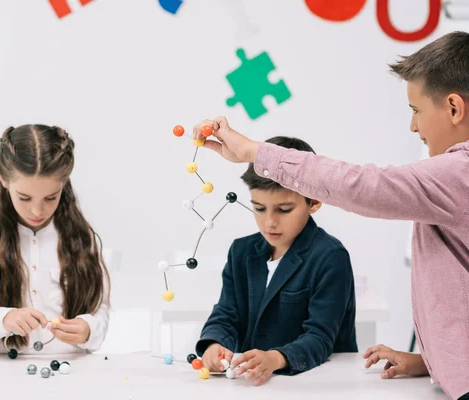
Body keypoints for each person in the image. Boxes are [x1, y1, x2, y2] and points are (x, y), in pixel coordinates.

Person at [192, 31, 469, 400]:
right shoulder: (243, 252)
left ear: (453, 108)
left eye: (416, 111)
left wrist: (255, 152)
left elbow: (365, 186)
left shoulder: (458, 172)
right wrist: (433, 360)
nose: (413, 127)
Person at [195, 136, 357, 386]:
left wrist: (277, 357)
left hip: (317, 384)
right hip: (256, 385)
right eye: (259, 209)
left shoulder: (330, 257)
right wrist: (215, 344)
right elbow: (227, 313)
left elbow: (321, 337)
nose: (270, 222)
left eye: (284, 210)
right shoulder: (241, 251)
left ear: (313, 202)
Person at [0, 124, 110, 355]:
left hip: (73, 373)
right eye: (24, 197)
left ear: (63, 184)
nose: (37, 210)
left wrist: (89, 330)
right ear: (4, 180)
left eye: (51, 197)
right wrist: (3, 319)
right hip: (0, 377)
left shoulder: (83, 237)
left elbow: (101, 310)